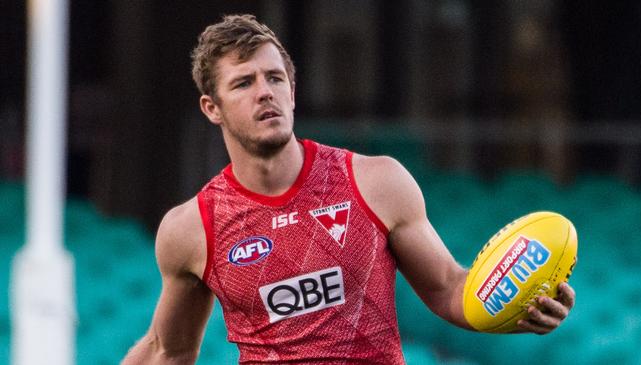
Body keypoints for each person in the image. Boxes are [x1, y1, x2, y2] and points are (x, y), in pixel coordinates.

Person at [121, 14, 576, 364]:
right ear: (211, 108)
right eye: (243, 83)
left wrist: (522, 308)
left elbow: (448, 289)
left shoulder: (376, 181)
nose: (266, 93)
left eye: (275, 78)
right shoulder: (191, 228)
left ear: (293, 92)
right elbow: (168, 351)